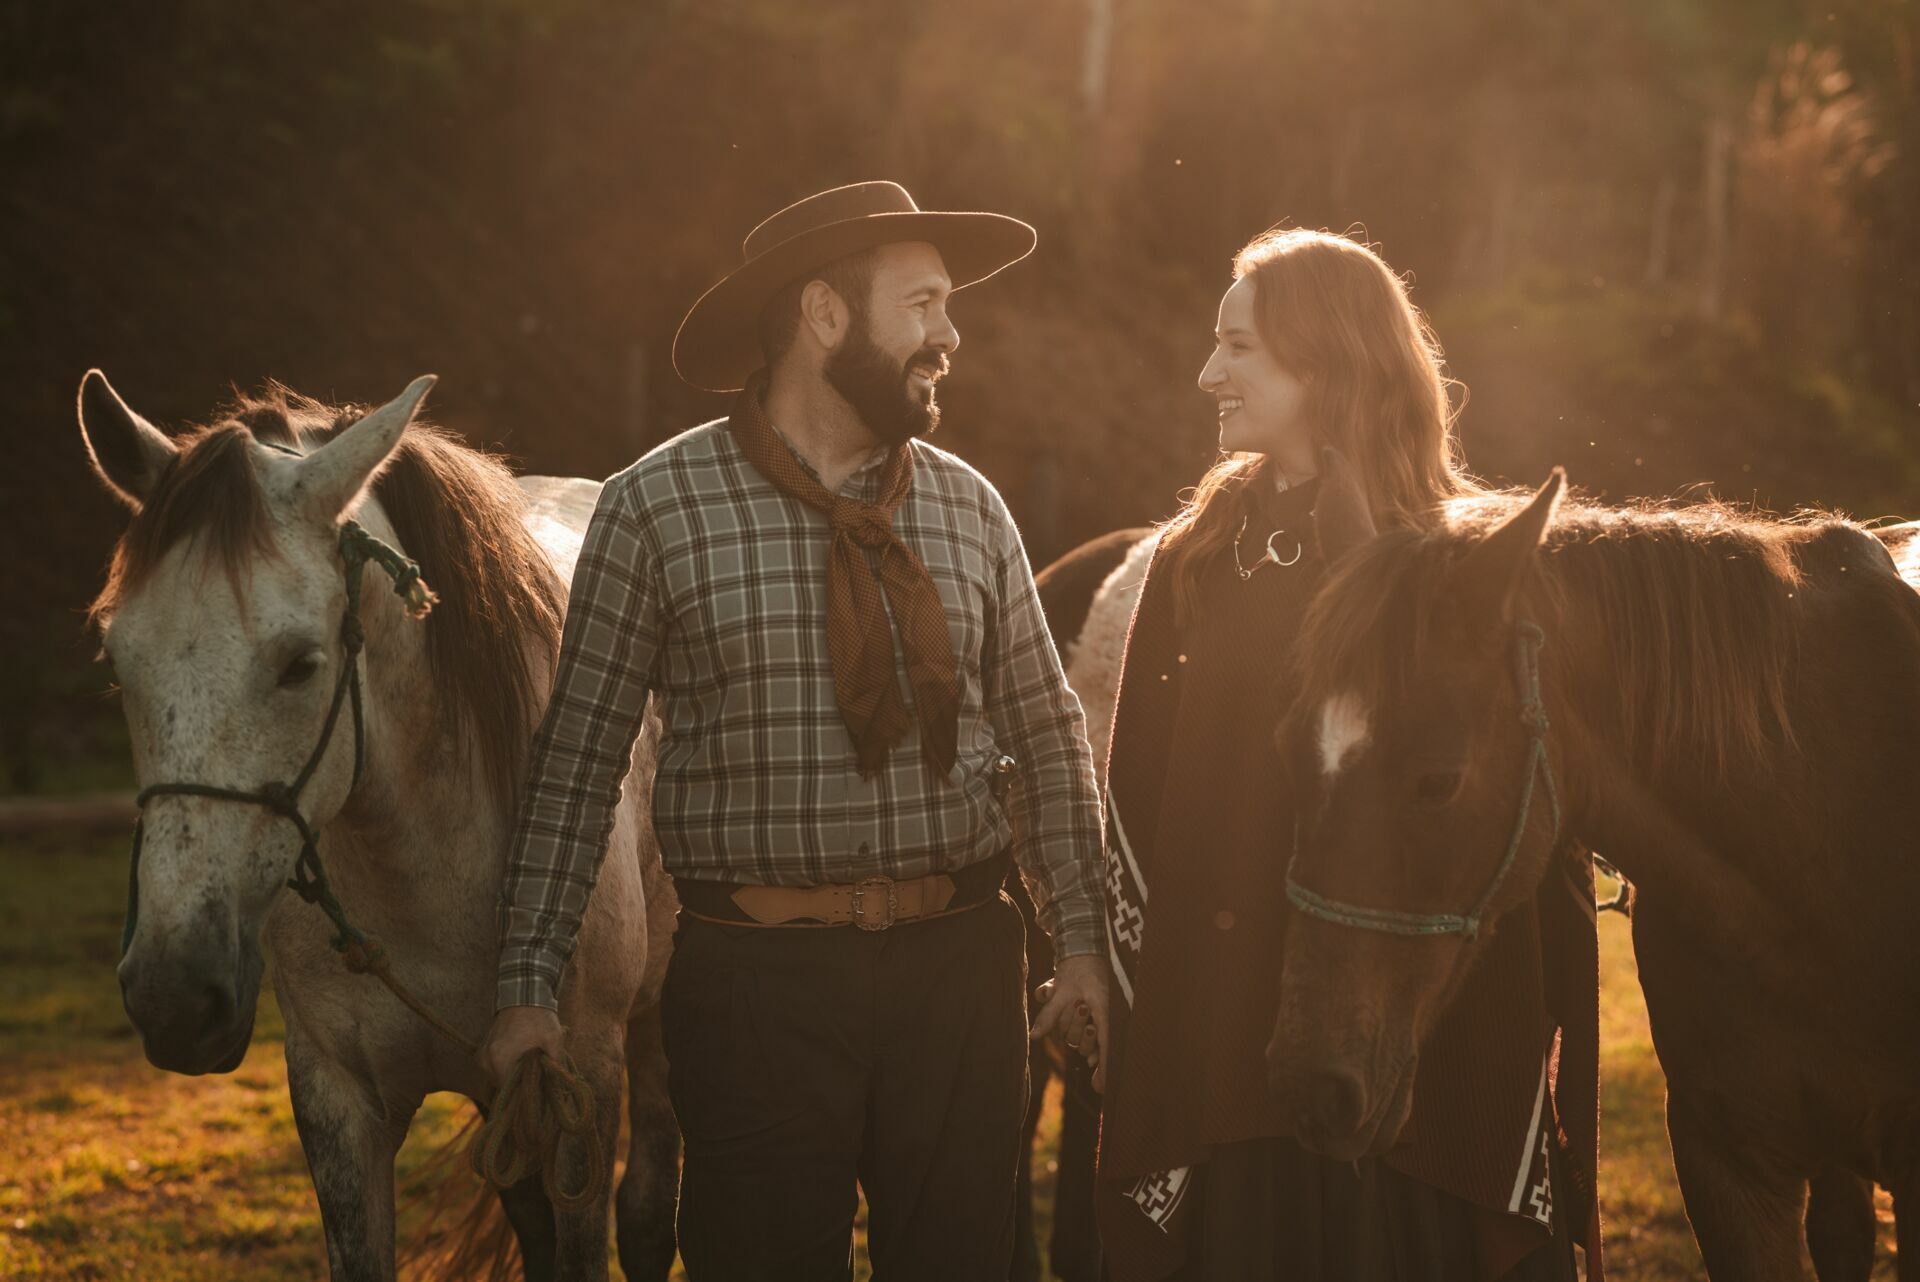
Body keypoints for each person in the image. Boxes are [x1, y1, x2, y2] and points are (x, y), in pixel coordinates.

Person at [478, 180, 1110, 1280]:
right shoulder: (654, 510)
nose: (949, 335)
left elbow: (1049, 737)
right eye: (922, 304)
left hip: (962, 972)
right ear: (824, 313)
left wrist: (1086, 942)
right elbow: (575, 766)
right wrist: (527, 989)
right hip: (754, 985)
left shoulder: (971, 508)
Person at [1093, 228, 1600, 1280]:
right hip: (1232, 1039)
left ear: (1323, 363)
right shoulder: (1198, 563)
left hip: (1428, 1059)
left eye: (1238, 348)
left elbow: (1516, 814)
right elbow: (1141, 792)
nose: (1207, 375)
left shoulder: (1466, 570)